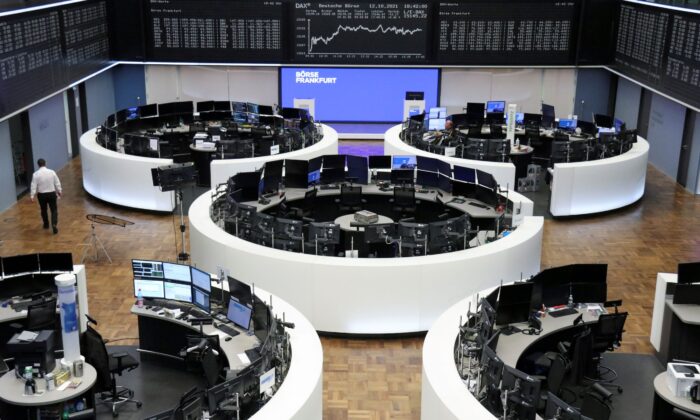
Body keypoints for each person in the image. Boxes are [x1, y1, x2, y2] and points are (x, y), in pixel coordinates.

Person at [30, 158, 62, 234]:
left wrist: (32, 196)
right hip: (51, 193)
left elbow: (33, 185)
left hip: (41, 195)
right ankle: (54, 224)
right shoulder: (52, 172)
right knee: (54, 210)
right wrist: (59, 190)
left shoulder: (35, 174)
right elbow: (57, 182)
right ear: (45, 163)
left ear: (38, 165)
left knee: (43, 210)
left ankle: (46, 224)